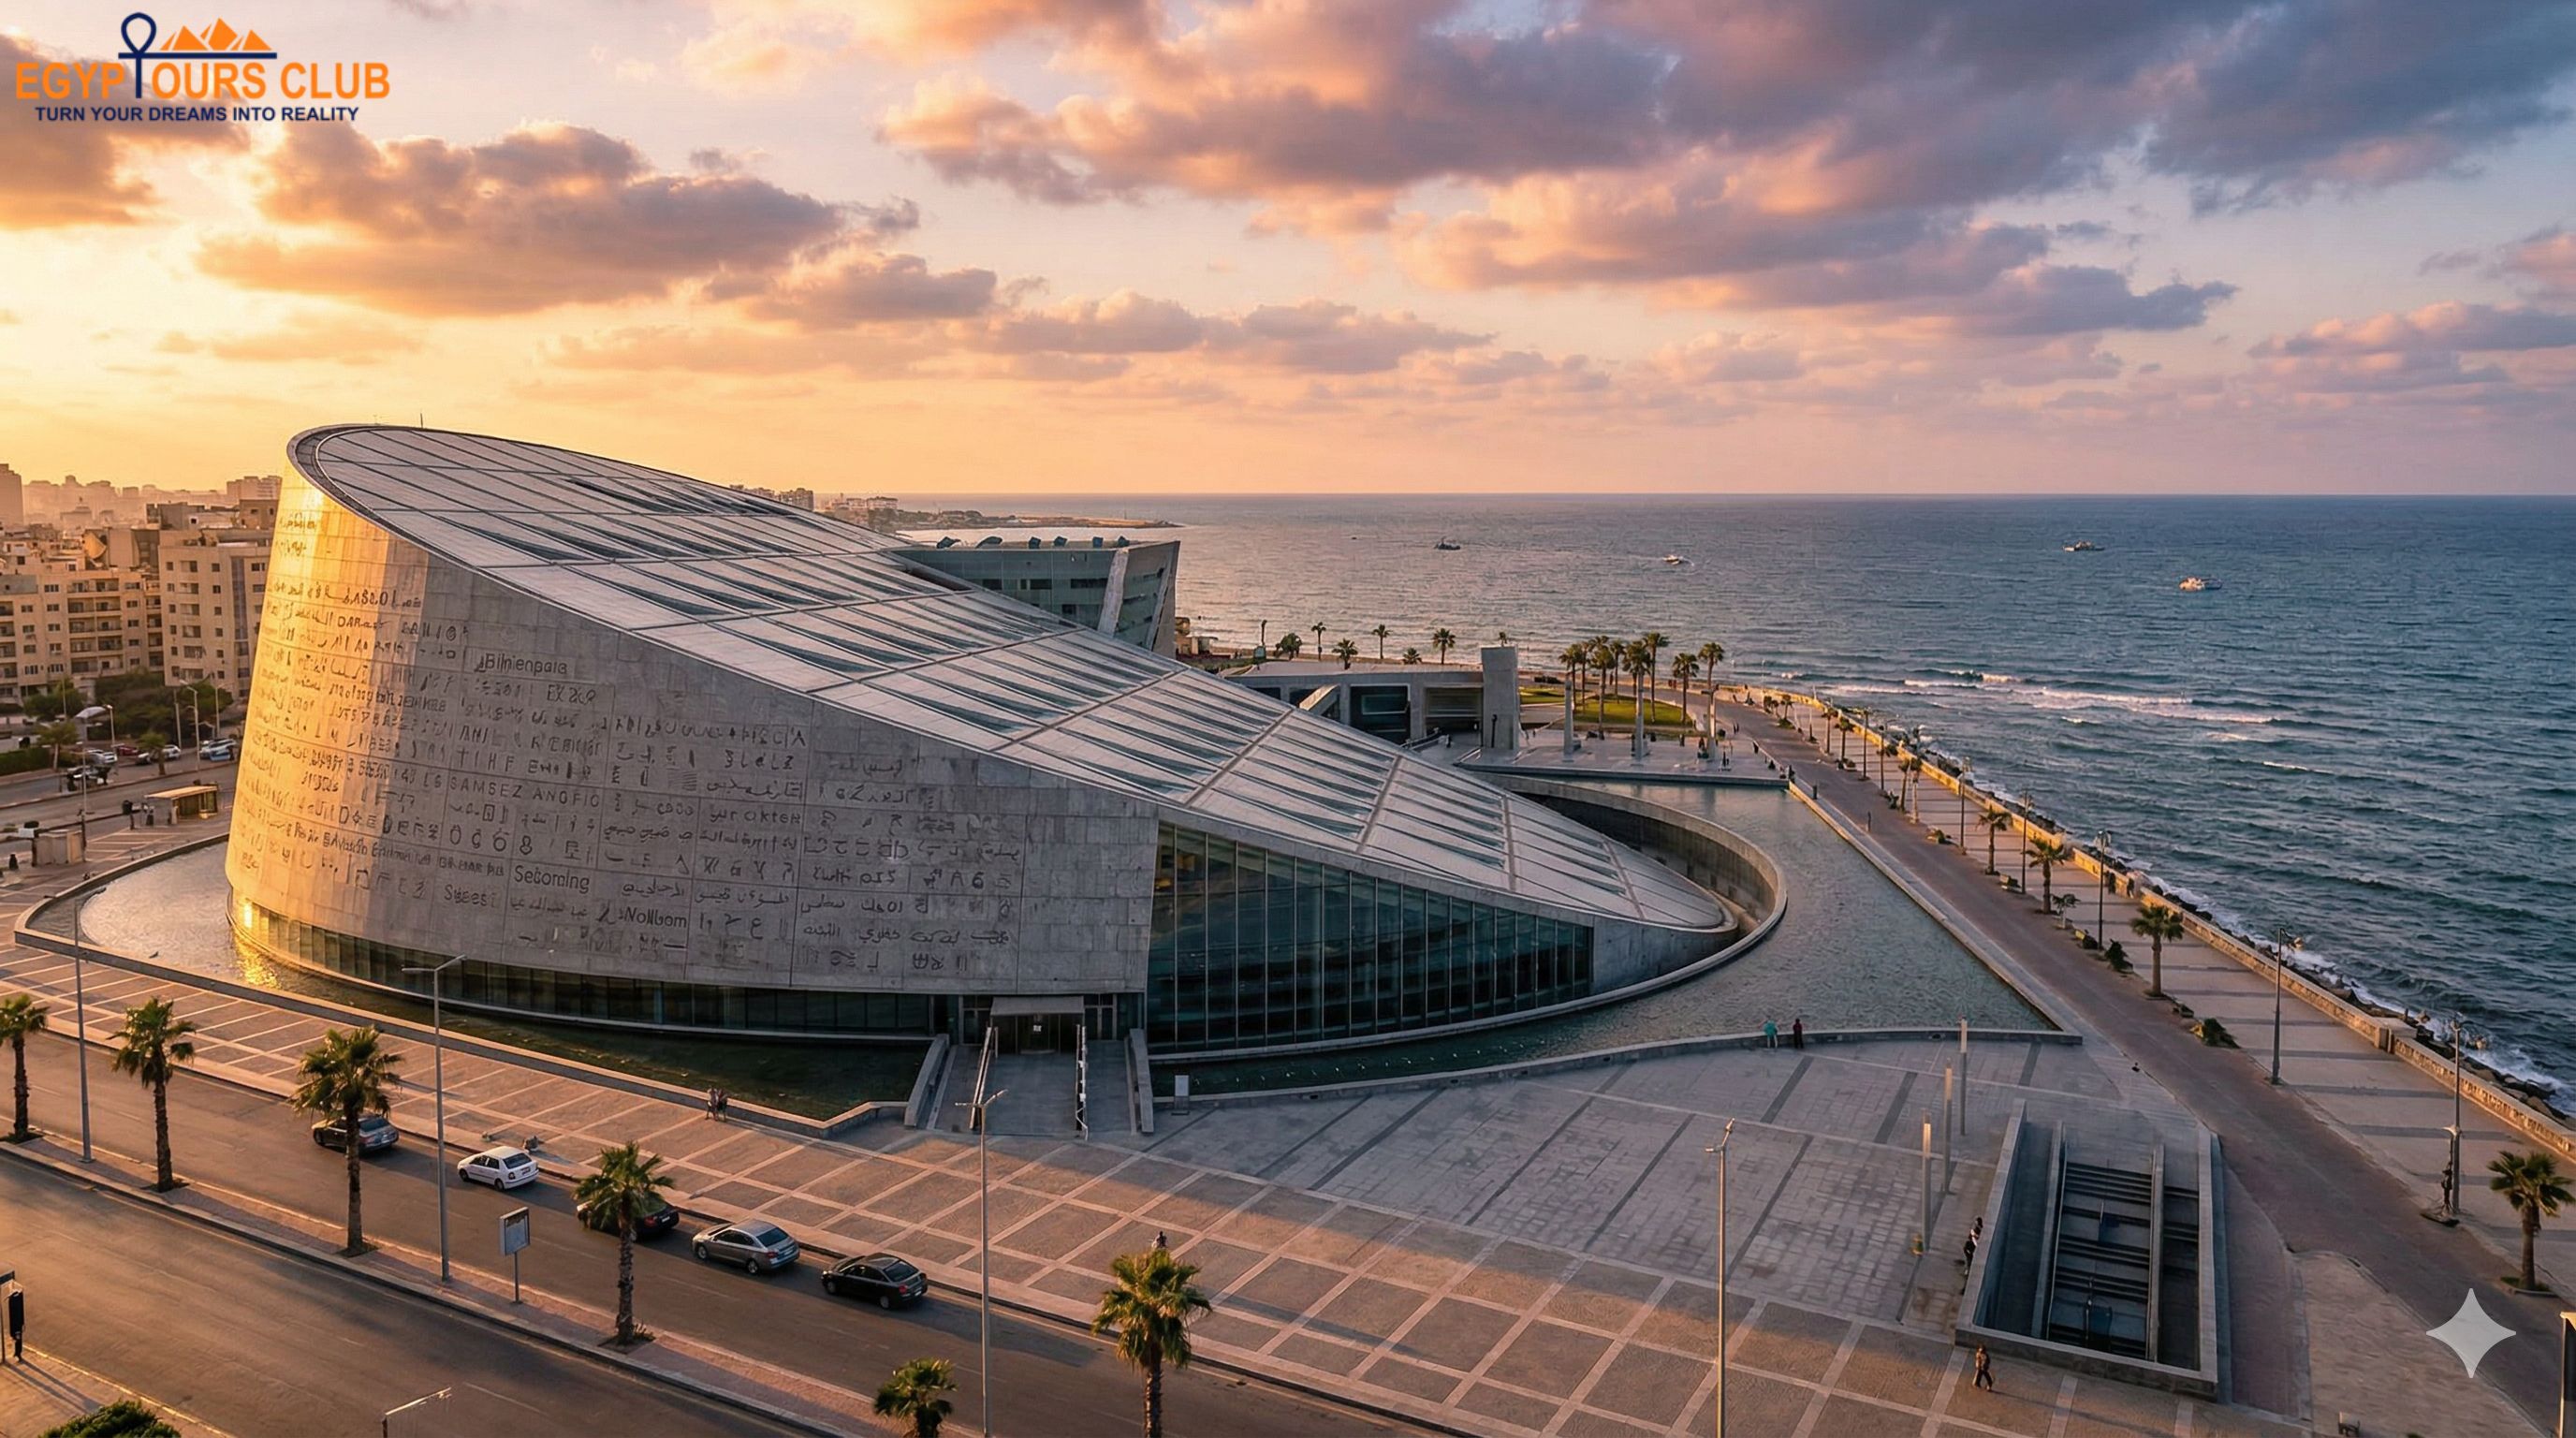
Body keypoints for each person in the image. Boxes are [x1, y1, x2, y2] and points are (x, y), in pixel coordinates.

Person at [8, 1282, 23, 1362]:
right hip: (18, 1325)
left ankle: (18, 1353)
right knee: (18, 1338)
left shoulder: (14, 1301)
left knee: (18, 1339)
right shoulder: (18, 1299)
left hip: (16, 1326)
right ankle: (17, 1353)